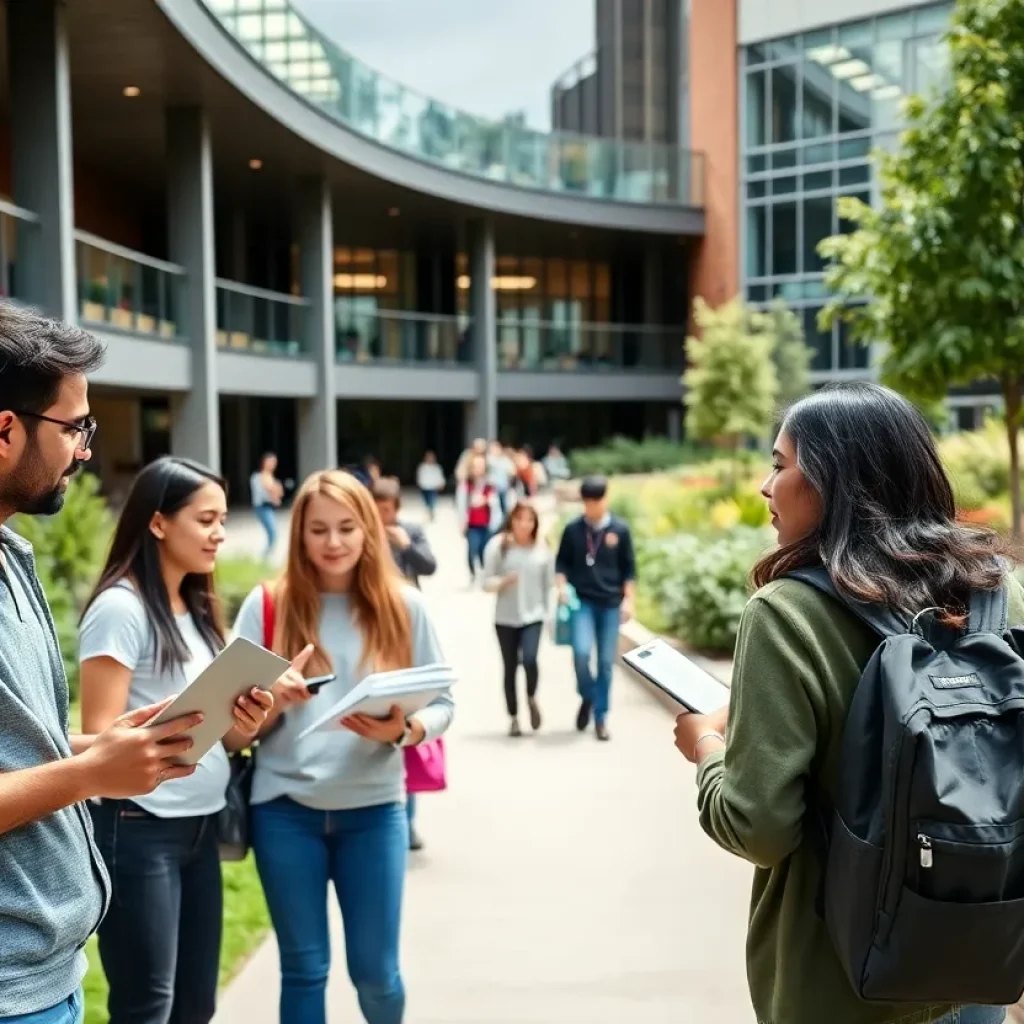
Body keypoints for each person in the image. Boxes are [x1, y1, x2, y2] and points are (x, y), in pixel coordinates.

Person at [673, 383, 1014, 1024]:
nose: (764, 486)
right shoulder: (999, 592)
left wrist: (707, 750)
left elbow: (761, 828)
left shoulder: (787, 614)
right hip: (982, 956)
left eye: (779, 465)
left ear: (834, 479)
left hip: (842, 979)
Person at [0, 305, 204, 1024]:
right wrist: (92, 772)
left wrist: (108, 745)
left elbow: (19, 749)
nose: (86, 448)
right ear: (4, 430)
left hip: (46, 974)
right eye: (76, 427)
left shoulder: (10, 552)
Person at [233, 470, 455, 1024]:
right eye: (318, 530)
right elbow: (232, 733)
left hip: (375, 810)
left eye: (347, 528)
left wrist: (403, 732)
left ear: (369, 531)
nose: (333, 543)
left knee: (377, 973)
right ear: (299, 535)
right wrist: (273, 703)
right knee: (304, 968)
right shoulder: (267, 606)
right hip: (284, 811)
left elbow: (444, 702)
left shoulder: (405, 607)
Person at [78, 457, 274, 1024]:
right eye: (206, 519)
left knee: (195, 1005)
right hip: (139, 830)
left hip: (199, 827)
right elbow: (100, 741)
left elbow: (228, 738)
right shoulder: (122, 608)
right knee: (148, 1008)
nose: (220, 532)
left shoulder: (196, 607)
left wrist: (251, 716)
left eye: (223, 519)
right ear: (159, 523)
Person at [555, 475, 635, 741]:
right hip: (583, 602)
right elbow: (561, 565)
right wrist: (561, 588)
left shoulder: (620, 530)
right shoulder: (573, 530)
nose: (591, 507)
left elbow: (629, 570)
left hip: (610, 603)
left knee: (604, 663)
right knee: (580, 653)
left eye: (596, 501)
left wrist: (629, 600)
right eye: (587, 501)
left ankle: (600, 716)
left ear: (605, 499)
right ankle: (588, 695)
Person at [483, 501, 554, 737]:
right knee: (510, 667)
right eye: (519, 518)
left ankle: (532, 697)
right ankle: (513, 717)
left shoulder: (542, 548)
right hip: (505, 618)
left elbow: (548, 585)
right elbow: (485, 582)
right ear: (511, 520)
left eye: (529, 519)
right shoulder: (498, 546)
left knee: (531, 660)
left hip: (533, 617)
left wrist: (548, 615)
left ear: (535, 523)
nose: (524, 524)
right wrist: (503, 582)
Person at [373, 477, 437, 589]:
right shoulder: (362, 534)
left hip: (405, 598)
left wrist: (407, 546)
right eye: (375, 510)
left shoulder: (411, 532)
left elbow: (429, 568)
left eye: (385, 510)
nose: (379, 515)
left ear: (397, 508)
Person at [456, 453, 502, 583]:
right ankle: (472, 572)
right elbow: (461, 505)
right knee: (472, 550)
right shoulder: (466, 485)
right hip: (472, 524)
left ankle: (483, 572)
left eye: (480, 466)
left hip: (486, 523)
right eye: (475, 466)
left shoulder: (490, 485)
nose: (477, 469)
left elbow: (496, 504)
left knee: (484, 550)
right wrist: (461, 522)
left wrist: (486, 501)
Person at [251, 451, 284, 560]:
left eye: (274, 462)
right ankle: (266, 556)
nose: (272, 465)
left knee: (273, 532)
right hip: (262, 507)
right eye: (270, 462)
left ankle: (267, 555)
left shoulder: (272, 478)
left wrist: (275, 494)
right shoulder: (256, 477)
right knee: (273, 532)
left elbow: (279, 493)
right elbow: (260, 494)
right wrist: (272, 494)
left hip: (269, 507)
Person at [486, 441, 516, 514]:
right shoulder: (488, 460)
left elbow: (512, 472)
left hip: (504, 489)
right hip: (492, 489)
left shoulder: (505, 460)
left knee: (505, 508)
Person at [415, 451, 445, 521]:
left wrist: (441, 483)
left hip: (433, 487)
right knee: (426, 501)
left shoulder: (437, 467)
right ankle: (428, 511)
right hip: (425, 486)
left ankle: (431, 511)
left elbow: (439, 476)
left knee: (432, 500)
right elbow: (420, 476)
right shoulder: (422, 467)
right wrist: (419, 483)